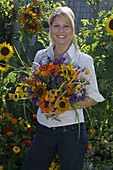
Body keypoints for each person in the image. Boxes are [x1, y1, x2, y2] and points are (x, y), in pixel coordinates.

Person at [22, 6, 105, 170]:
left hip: (72, 132)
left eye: (66, 26)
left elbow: (94, 97)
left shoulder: (83, 61)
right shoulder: (41, 56)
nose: (61, 31)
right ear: (50, 28)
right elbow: (32, 91)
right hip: (44, 130)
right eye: (56, 26)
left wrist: (65, 106)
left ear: (72, 29)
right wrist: (44, 104)